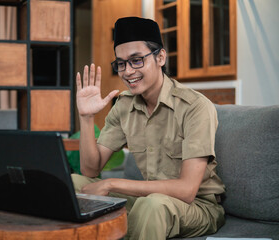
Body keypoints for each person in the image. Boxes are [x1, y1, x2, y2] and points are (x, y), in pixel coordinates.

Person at [72, 17, 225, 240]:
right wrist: (86, 117)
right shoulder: (124, 106)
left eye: (136, 60)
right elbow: (90, 170)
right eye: (121, 63)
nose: (127, 71)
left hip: (197, 207)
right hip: (149, 199)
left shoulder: (195, 107)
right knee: (74, 184)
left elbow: (187, 190)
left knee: (152, 206)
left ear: (160, 57)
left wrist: (111, 183)